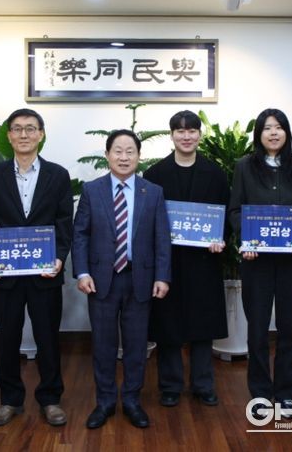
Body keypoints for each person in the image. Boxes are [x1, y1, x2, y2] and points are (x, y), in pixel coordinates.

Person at [0, 108, 73, 427]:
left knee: (48, 337)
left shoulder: (58, 175)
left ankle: (50, 399)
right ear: (8, 136)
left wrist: (59, 258)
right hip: (6, 273)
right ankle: (10, 399)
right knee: (7, 338)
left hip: (45, 273)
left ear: (41, 134)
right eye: (17, 129)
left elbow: (64, 223)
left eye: (30, 128)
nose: (23, 134)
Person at [72, 129, 171, 429]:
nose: (124, 157)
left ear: (139, 156)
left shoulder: (153, 192)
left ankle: (131, 400)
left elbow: (162, 238)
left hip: (140, 278)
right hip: (101, 279)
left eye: (130, 151)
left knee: (136, 346)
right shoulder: (92, 190)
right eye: (118, 151)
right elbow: (80, 234)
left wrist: (162, 276)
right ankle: (104, 402)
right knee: (103, 345)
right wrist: (82, 271)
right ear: (107, 155)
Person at [228, 108, 292, 418]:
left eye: (278, 127)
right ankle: (261, 393)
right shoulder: (244, 167)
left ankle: (286, 394)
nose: (273, 133)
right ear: (259, 134)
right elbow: (235, 210)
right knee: (258, 328)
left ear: (286, 132)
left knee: (289, 328)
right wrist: (247, 239)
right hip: (257, 262)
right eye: (267, 128)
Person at [143, 110, 229, 407]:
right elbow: (148, 220)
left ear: (199, 135)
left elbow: (225, 215)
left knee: (203, 325)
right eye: (180, 131)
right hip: (168, 262)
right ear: (172, 135)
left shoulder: (215, 173)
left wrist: (221, 239)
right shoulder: (155, 174)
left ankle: (203, 384)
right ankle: (170, 385)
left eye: (192, 130)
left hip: (204, 261)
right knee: (168, 325)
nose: (186, 136)